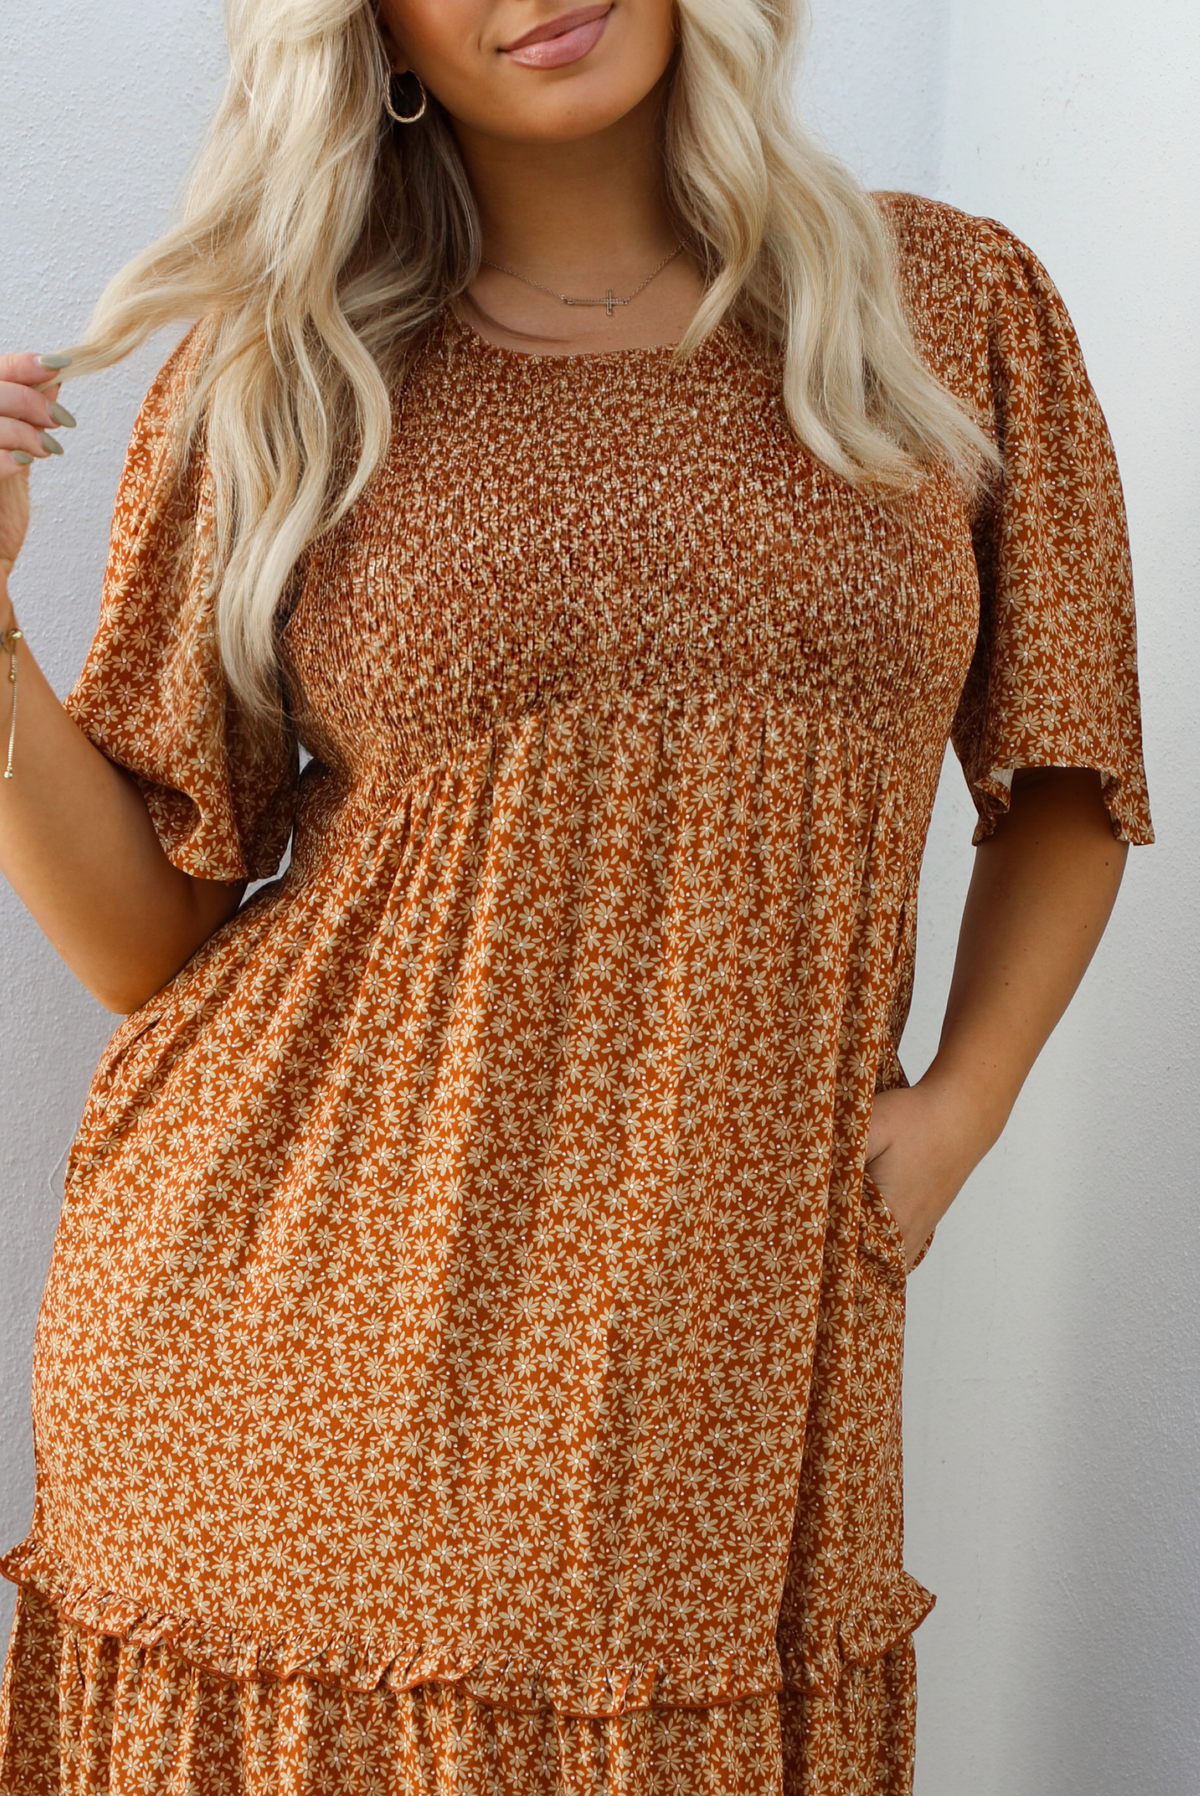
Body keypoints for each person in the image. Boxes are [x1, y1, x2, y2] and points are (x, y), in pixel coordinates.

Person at [0, 2, 1152, 1792]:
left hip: (723, 1352)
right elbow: (152, 935)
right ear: (365, 29)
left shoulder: (951, 307)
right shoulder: (285, 366)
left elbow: (1069, 777)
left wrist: (955, 1122)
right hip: (305, 1339)